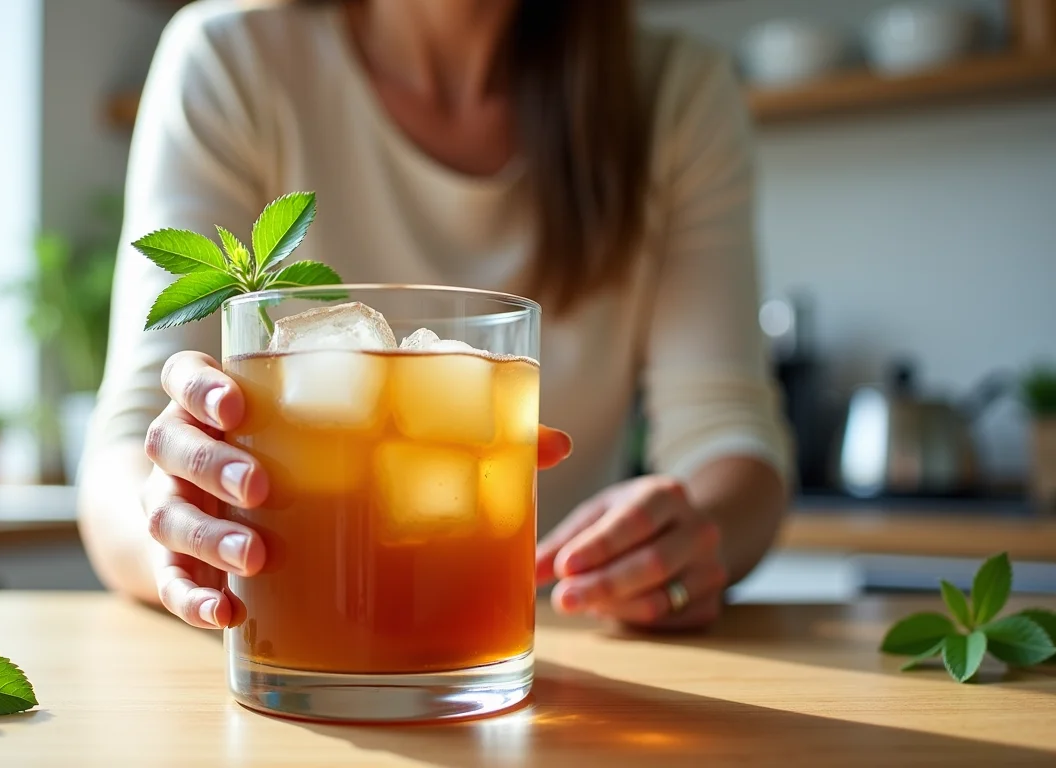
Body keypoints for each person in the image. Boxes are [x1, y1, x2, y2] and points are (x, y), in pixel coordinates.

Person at [79, 0, 791, 634]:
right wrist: (180, 543)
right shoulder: (230, 57)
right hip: (304, 644)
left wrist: (696, 539)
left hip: (533, 648)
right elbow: (134, 439)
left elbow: (726, 434)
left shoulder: (676, 93)